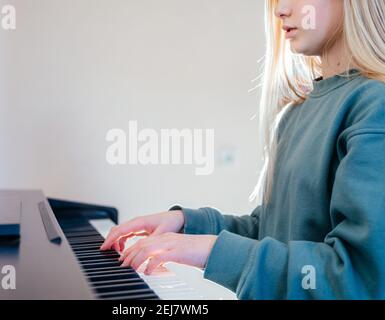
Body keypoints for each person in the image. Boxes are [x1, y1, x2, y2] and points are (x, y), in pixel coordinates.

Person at [101, 0, 385, 299]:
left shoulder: (373, 108)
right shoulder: (294, 115)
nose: (280, 10)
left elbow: (357, 280)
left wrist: (211, 251)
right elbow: (273, 232)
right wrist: (186, 224)